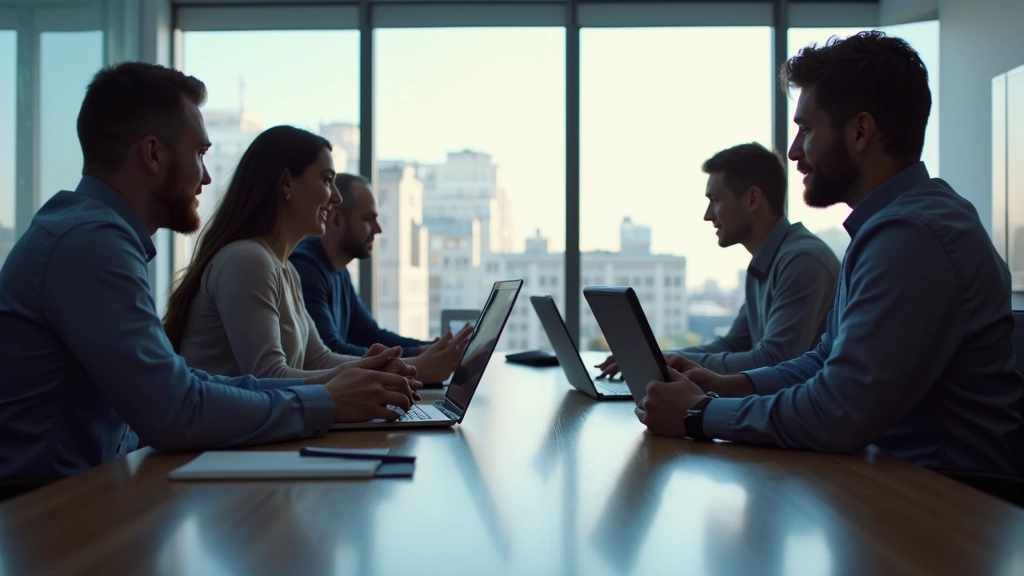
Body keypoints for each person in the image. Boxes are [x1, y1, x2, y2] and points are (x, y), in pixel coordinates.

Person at [0, 63, 418, 484]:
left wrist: (334, 389)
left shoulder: (94, 235)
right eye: (199, 153)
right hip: (45, 518)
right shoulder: (90, 244)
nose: (207, 175)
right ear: (153, 154)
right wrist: (326, 401)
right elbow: (174, 410)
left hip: (89, 497)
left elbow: (183, 384)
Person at [635, 31, 1023, 476]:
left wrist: (699, 415)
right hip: (892, 484)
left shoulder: (912, 236)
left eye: (807, 128)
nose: (795, 152)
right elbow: (826, 359)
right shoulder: (890, 228)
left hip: (946, 508)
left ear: (860, 131)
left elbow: (840, 409)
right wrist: (729, 385)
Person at [164, 127, 468, 384]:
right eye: (326, 180)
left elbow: (317, 357)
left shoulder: (285, 269)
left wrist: (392, 368)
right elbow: (268, 378)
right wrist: (407, 372)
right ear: (286, 183)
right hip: (217, 452)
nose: (335, 197)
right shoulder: (248, 261)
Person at [597, 143, 839, 377]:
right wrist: (656, 356)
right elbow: (734, 344)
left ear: (752, 199)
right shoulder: (768, 261)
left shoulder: (802, 262)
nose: (707, 215)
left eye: (715, 200)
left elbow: (773, 361)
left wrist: (664, 362)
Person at [290, 174, 473, 383]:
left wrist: (432, 350)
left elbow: (371, 334)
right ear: (336, 220)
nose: (378, 229)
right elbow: (329, 352)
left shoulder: (338, 270)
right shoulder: (305, 268)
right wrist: (418, 361)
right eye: (368, 219)